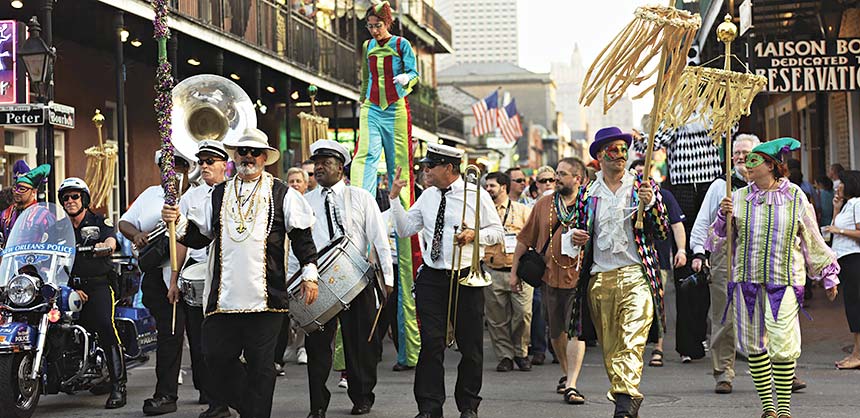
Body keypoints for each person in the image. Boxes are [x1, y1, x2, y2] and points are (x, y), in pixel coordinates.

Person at [163, 128, 319, 418]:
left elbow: (302, 238)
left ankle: (255, 413)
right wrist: (178, 222)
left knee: (262, 366)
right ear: (235, 156)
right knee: (214, 358)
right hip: (224, 300)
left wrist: (310, 272)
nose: (248, 157)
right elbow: (199, 237)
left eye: (254, 152)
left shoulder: (282, 193)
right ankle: (249, 407)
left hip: (267, 300)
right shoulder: (218, 194)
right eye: (243, 151)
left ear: (265, 158)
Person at [711, 137, 840, 418]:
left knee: (783, 345)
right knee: (753, 346)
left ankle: (783, 409)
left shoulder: (795, 197)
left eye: (753, 161)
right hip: (746, 282)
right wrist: (723, 217)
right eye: (744, 160)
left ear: (771, 166)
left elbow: (812, 238)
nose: (745, 165)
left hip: (784, 282)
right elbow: (718, 239)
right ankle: (768, 408)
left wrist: (829, 274)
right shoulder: (739, 198)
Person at [388, 143, 504, 418]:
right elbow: (405, 229)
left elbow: (497, 232)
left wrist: (475, 234)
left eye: (431, 166)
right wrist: (395, 199)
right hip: (432, 276)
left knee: (471, 346)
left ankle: (468, 404)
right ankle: (429, 407)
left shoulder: (476, 194)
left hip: (465, 276)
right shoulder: (428, 196)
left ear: (449, 168)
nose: (426, 170)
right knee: (431, 343)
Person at [569, 127, 669, 418]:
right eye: (613, 150)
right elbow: (573, 229)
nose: (620, 155)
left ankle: (624, 400)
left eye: (624, 150)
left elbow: (661, 231)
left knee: (631, 341)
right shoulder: (588, 193)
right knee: (612, 350)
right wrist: (573, 237)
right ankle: (625, 403)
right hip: (600, 279)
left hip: (636, 275)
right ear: (600, 156)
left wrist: (650, 203)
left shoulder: (643, 187)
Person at [350, 1, 422, 372]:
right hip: (371, 106)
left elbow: (414, 74)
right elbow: (365, 78)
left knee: (399, 167)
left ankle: (401, 199)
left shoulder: (400, 45)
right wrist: (366, 98)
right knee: (364, 154)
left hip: (396, 108)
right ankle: (358, 195)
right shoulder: (367, 48)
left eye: (378, 25)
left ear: (387, 25)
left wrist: (404, 82)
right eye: (370, 26)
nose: (374, 31)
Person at [298, 140, 393, 417]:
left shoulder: (361, 197)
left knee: (359, 344)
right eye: (316, 163)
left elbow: (379, 239)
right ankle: (317, 405)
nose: (318, 168)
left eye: (325, 163)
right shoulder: (305, 201)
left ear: (340, 167)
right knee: (317, 347)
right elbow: (299, 244)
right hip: (318, 282)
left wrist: (387, 279)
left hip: (357, 282)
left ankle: (362, 396)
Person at [119, 151, 193, 416]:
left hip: (194, 272)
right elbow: (124, 222)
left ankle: (212, 392)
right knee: (170, 335)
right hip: (159, 275)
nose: (171, 172)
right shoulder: (150, 194)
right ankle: (166, 394)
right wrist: (137, 234)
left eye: (178, 166)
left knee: (200, 337)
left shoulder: (195, 194)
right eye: (165, 167)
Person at [510, 158, 588, 404]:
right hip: (549, 277)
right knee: (556, 332)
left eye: (563, 174)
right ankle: (566, 373)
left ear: (578, 178)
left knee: (576, 330)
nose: (557, 178)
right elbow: (525, 239)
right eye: (556, 173)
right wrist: (514, 272)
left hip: (578, 278)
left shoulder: (588, 204)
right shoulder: (544, 204)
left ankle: (572, 383)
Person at [689, 133, 759, 394]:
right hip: (724, 258)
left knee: (768, 315)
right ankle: (723, 373)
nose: (741, 157)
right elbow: (703, 222)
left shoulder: (771, 187)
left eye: (746, 153)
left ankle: (782, 368)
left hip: (758, 257)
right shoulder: (721, 186)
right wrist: (699, 251)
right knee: (724, 317)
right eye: (737, 153)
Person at [167, 141, 230, 418]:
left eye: (210, 160)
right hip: (197, 271)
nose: (204, 166)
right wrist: (174, 278)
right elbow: (182, 240)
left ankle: (230, 394)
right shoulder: (190, 198)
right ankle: (213, 395)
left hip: (229, 274)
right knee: (201, 339)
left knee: (227, 340)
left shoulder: (233, 192)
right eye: (201, 161)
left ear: (224, 164)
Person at [59, 178, 126, 409]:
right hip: (68, 287)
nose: (70, 201)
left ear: (84, 199)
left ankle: (119, 385)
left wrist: (105, 245)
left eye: (75, 196)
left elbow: (111, 239)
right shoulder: (59, 227)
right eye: (66, 197)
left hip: (97, 285)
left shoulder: (98, 221)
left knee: (105, 326)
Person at [629, 159, 686, 369]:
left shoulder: (664, 195)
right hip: (631, 261)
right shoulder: (625, 195)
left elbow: (676, 224)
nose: (641, 177)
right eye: (637, 173)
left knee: (656, 305)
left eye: (644, 173)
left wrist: (680, 249)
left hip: (658, 261)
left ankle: (658, 347)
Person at [482, 172, 533, 372]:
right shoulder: (483, 212)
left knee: (523, 314)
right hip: (492, 270)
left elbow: (533, 237)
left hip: (518, 271)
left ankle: (521, 352)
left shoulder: (522, 211)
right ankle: (505, 355)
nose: (488, 189)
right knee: (496, 318)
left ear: (503, 187)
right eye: (486, 186)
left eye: (492, 186)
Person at [824, 170, 860, 370]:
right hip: (844, 261)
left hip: (855, 260)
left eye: (841, 182)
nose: (838, 186)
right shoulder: (847, 205)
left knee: (856, 307)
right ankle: (856, 353)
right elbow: (832, 232)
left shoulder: (857, 203)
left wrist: (840, 230)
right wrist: (836, 209)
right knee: (851, 307)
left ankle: (858, 354)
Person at [528, 165, 557, 365]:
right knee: (537, 306)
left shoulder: (564, 203)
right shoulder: (528, 205)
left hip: (559, 263)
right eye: (543, 181)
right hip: (537, 261)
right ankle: (539, 349)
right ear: (537, 184)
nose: (547, 184)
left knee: (556, 307)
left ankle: (557, 348)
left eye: (551, 180)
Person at [1, 162, 50, 245]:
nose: (16, 192)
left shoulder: (43, 215)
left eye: (22, 189)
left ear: (33, 192)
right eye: (15, 188)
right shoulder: (6, 214)